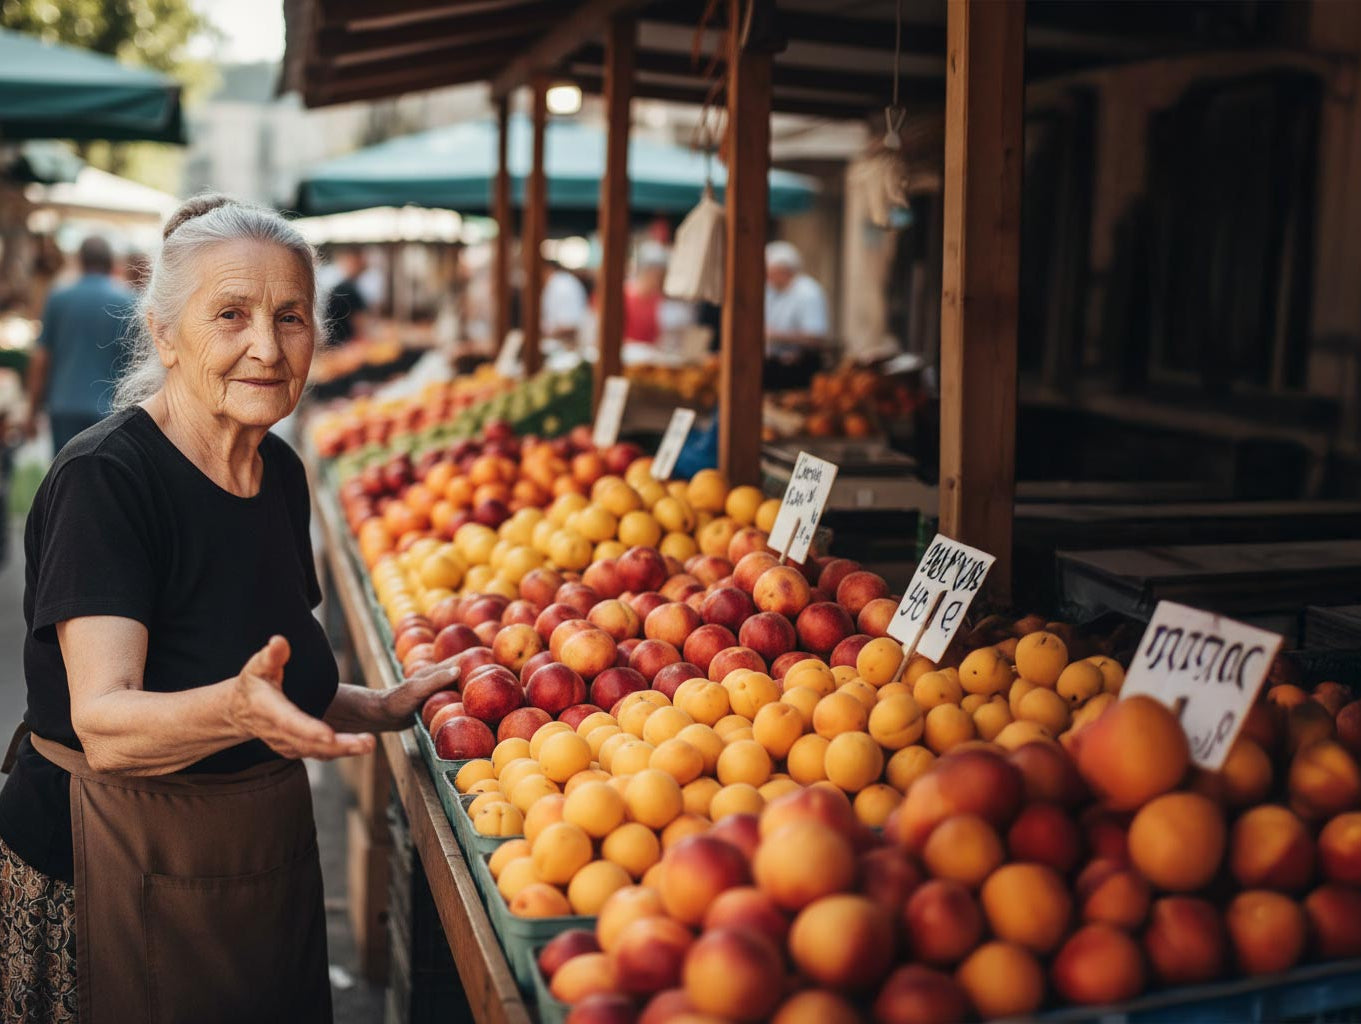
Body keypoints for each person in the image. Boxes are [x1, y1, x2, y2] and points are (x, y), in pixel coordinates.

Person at [0, 194, 457, 1023]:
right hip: (110, 866)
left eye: (291, 317)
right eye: (231, 315)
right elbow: (105, 721)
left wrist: (380, 705)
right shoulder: (107, 480)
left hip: (262, 862)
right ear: (165, 334)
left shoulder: (280, 473)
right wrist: (236, 711)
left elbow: (265, 674)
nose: (267, 348)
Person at [24, 236, 137, 454]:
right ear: (111, 262)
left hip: (64, 406)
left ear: (80, 261)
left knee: (65, 469)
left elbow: (42, 358)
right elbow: (134, 364)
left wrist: (32, 411)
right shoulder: (128, 301)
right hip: (109, 410)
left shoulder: (58, 298)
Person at [763, 240, 829, 389]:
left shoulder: (808, 292)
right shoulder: (771, 291)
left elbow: (816, 337)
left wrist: (775, 336)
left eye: (770, 272)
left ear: (784, 271)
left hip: (799, 370)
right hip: (774, 367)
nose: (767, 277)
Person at [324, 246, 369, 345]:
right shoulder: (348, 289)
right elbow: (359, 323)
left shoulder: (341, 287)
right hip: (347, 345)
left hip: (334, 343)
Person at [542, 261, 589, 343]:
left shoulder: (559, 285)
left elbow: (569, 326)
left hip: (562, 343)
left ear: (547, 269)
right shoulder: (565, 281)